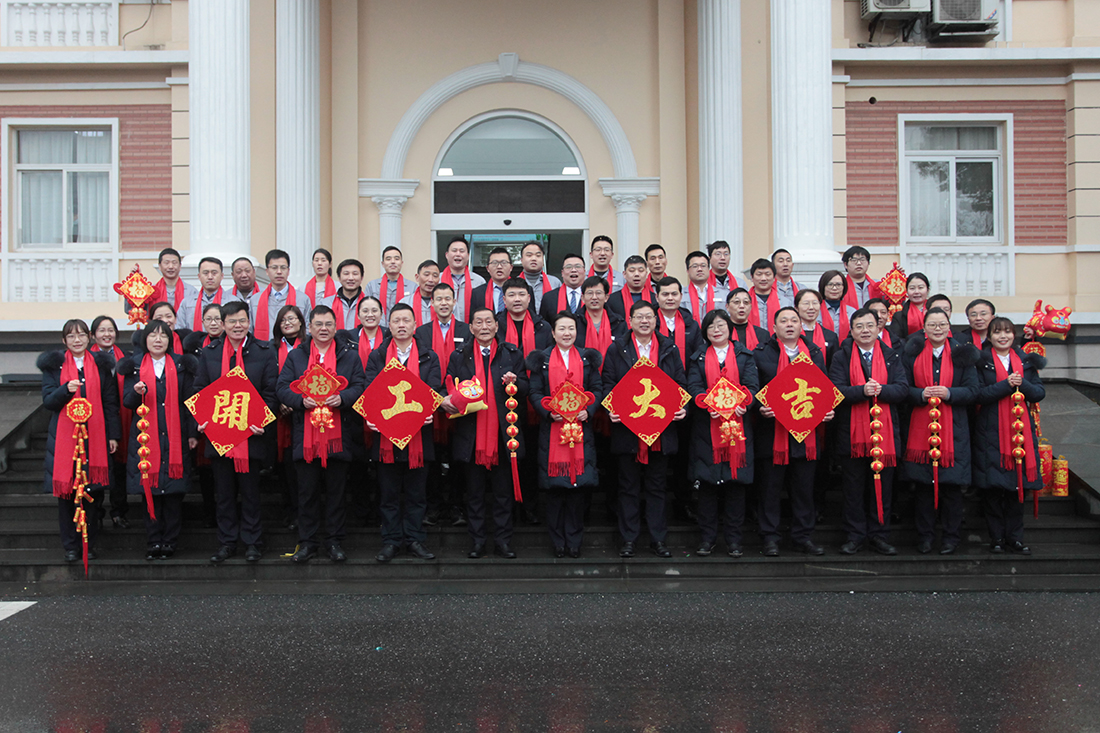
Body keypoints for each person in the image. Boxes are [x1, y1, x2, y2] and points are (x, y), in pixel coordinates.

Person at [276, 305, 366, 563]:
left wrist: (343, 398)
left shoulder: (349, 355)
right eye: (319, 324)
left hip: (339, 435)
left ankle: (335, 542)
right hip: (306, 436)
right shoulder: (297, 356)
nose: (324, 329)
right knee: (307, 493)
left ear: (336, 327)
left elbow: (360, 385)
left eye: (328, 324)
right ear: (310, 327)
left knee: (337, 493)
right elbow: (281, 388)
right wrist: (300, 400)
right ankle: (307, 543)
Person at [193, 301, 279, 564]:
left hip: (252, 436)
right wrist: (201, 419)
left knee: (251, 494)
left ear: (249, 322)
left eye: (242, 321)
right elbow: (199, 390)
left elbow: (271, 392)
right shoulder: (209, 353)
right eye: (232, 321)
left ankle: (253, 542)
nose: (237, 326)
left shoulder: (264, 351)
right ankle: (227, 542)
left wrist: (262, 421)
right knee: (224, 494)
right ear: (222, 324)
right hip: (219, 436)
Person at [602, 300, 688, 559]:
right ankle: (628, 539)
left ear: (656, 320)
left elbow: (681, 384)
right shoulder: (617, 348)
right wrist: (611, 407)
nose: (644, 321)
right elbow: (608, 383)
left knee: (657, 487)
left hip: (661, 431)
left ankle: (658, 539)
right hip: (626, 431)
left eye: (649, 316)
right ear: (630, 321)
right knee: (627, 487)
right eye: (639, 317)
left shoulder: (669, 348)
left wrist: (683, 407)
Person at [442, 307, 528, 558]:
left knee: (503, 494)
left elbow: (526, 387)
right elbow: (448, 386)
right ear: (471, 328)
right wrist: (446, 399)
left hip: (504, 434)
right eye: (478, 323)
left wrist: (515, 382)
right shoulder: (460, 355)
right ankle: (477, 541)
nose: (484, 327)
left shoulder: (511, 353)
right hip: (471, 435)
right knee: (475, 494)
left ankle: (503, 541)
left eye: (488, 322)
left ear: (496, 325)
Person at [363, 303, 442, 562]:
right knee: (388, 494)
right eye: (396, 320)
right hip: (385, 436)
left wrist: (429, 409)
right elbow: (370, 390)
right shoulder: (378, 356)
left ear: (415, 325)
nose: (401, 325)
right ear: (389, 325)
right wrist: (372, 417)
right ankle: (391, 541)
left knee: (417, 494)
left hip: (420, 436)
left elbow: (434, 389)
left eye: (406, 320)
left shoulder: (429, 356)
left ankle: (415, 539)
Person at [37, 319, 120, 562]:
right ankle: (71, 546)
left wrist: (113, 435)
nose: (77, 340)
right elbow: (48, 401)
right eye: (71, 336)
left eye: (81, 335)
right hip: (65, 440)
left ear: (89, 338)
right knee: (67, 495)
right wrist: (65, 389)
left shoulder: (101, 366)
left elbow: (110, 403)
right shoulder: (54, 367)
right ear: (64, 341)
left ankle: (88, 544)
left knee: (91, 493)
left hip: (95, 437)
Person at [753, 307, 832, 557]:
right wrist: (760, 406)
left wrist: (827, 410)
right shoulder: (761, 354)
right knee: (770, 489)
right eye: (784, 321)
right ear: (774, 327)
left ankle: (802, 537)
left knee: (803, 490)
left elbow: (825, 389)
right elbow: (753, 389)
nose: (789, 325)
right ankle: (770, 537)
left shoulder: (815, 353)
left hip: (806, 435)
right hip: (772, 434)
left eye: (794, 321)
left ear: (801, 326)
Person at [900, 307, 979, 555]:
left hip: (954, 432)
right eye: (932, 325)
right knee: (923, 488)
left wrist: (950, 393)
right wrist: (920, 394)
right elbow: (902, 388)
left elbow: (973, 391)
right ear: (924, 328)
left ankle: (951, 538)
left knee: (952, 489)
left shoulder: (962, 354)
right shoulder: (911, 353)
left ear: (949, 327)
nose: (937, 329)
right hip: (920, 430)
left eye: (942, 325)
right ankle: (925, 537)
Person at [829, 308, 908, 556]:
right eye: (860, 326)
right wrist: (861, 391)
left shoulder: (891, 355)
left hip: (885, 435)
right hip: (852, 435)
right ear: (852, 331)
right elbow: (835, 391)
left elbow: (902, 389)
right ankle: (854, 536)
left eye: (870, 326)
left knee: (882, 489)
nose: (865, 331)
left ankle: (879, 535)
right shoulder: (841, 356)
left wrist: (881, 389)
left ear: (878, 328)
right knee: (853, 490)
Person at [528, 311, 604, 557]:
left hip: (581, 431)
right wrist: (548, 412)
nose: (567, 333)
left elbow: (597, 388)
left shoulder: (586, 359)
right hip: (552, 431)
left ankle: (574, 541)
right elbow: (534, 392)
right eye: (561, 328)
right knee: (555, 490)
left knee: (577, 491)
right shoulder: (543, 360)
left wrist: (588, 410)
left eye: (571, 328)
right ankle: (558, 542)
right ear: (553, 333)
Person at [118, 320, 197, 560]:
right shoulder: (134, 367)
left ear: (170, 340)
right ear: (145, 340)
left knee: (173, 493)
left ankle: (170, 541)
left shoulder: (181, 366)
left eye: (163, 335)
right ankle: (154, 541)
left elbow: (190, 402)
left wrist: (192, 434)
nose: (158, 339)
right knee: (149, 491)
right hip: (145, 439)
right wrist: (136, 393)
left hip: (175, 436)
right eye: (153, 335)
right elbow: (127, 403)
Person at [686, 309, 759, 558]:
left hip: (738, 429)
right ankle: (707, 539)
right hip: (706, 429)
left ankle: (734, 540)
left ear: (730, 329)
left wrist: (745, 402)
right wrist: (706, 403)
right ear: (705, 332)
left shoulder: (744, 355)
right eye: (711, 326)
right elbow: (693, 386)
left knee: (735, 486)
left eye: (721, 325)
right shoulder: (697, 357)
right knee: (707, 486)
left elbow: (752, 386)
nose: (716, 330)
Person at [973, 317, 1045, 555]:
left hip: (1021, 433)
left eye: (1007, 332)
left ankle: (1015, 538)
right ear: (989, 337)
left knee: (1017, 488)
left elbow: (1039, 393)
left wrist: (1022, 384)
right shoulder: (981, 361)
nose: (1002, 336)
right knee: (993, 489)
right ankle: (996, 537)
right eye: (997, 332)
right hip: (990, 432)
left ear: (1014, 335)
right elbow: (978, 394)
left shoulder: (1026, 361)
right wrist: (1006, 384)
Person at [415, 282, 472, 527]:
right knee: (433, 459)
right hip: (430, 406)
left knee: (459, 460)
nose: (444, 303)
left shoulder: (467, 330)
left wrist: (454, 398)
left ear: (455, 301)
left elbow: (471, 368)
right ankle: (434, 506)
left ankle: (457, 506)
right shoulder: (421, 333)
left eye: (448, 298)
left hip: (460, 407)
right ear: (432, 303)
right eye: (439, 299)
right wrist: (438, 399)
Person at [182, 303, 224, 529]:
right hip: (204, 415)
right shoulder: (193, 352)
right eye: (209, 319)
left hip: (229, 413)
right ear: (202, 322)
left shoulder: (234, 346)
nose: (214, 323)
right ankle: (210, 512)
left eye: (218, 319)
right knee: (206, 468)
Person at [88, 315, 131, 531]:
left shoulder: (126, 359)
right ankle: (95, 513)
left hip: (121, 419)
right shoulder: (87, 360)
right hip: (95, 421)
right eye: (102, 330)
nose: (107, 334)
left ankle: (118, 512)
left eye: (111, 330)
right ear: (93, 335)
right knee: (96, 468)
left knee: (119, 469)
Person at [272, 304, 306, 531]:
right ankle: (290, 510)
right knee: (284, 467)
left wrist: (296, 401)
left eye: (292, 319)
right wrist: (281, 402)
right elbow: (268, 380)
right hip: (279, 414)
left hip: (305, 413)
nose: (287, 323)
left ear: (301, 322)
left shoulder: (309, 347)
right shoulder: (270, 349)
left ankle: (304, 513)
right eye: (283, 320)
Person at [250, 249, 311, 341]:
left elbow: (307, 330)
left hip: (294, 348)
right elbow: (250, 330)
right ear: (267, 271)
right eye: (274, 268)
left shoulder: (302, 299)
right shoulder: (255, 300)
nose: (279, 272)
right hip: (263, 348)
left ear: (288, 271)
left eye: (283, 268)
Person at [654, 276, 702, 372]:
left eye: (674, 294)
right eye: (665, 294)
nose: (670, 298)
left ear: (681, 296)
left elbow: (697, 358)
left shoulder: (692, 325)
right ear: (657, 297)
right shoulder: (649, 324)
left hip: (686, 377)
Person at [497, 278, 552, 356]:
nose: (517, 299)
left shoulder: (543, 327)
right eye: (511, 295)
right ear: (504, 300)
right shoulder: (496, 326)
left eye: (522, 294)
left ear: (529, 298)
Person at [364, 246, 415, 326]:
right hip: (377, 328)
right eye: (388, 259)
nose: (393, 262)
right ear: (383, 264)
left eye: (396, 259)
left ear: (402, 263)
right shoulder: (372, 286)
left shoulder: (413, 287)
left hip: (402, 327)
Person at [136, 248, 197, 313]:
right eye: (166, 263)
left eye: (174, 263)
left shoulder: (191, 292)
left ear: (180, 266)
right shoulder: (150, 291)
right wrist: (135, 282)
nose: (170, 266)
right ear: (159, 266)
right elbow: (136, 309)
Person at [440, 236, 485, 322]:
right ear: (447, 255)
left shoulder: (479, 281)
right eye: (454, 251)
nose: (458, 254)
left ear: (468, 256)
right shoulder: (438, 280)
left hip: (470, 327)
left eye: (461, 251)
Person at [576, 275, 626, 351]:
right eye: (590, 293)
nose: (594, 297)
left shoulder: (618, 323)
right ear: (582, 298)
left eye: (598, 293)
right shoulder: (574, 322)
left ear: (606, 297)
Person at [177, 257, 226, 333]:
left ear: (222, 276)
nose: (210, 277)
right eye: (205, 273)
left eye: (214, 273)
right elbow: (179, 329)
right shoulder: (187, 303)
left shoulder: (232, 301)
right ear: (199, 276)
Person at [316, 258, 366, 331]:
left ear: (361, 278)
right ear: (339, 278)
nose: (351, 278)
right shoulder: (326, 303)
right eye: (346, 274)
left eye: (355, 274)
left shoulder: (369, 303)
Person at [796, 289, 839, 369]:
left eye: (815, 303)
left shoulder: (830, 336)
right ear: (796, 308)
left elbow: (835, 367)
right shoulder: (790, 335)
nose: (811, 307)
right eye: (806, 303)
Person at [539, 253, 586, 321]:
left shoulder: (592, 296)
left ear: (584, 272)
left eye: (578, 266)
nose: (573, 270)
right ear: (562, 273)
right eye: (568, 267)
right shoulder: (549, 298)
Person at [606, 255, 654, 320]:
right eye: (632, 271)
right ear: (624, 274)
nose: (636, 274)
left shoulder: (655, 299)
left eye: (641, 270)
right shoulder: (612, 300)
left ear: (646, 274)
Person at [471, 247, 515, 318]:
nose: (499, 266)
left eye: (504, 263)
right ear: (488, 268)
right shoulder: (477, 293)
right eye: (495, 263)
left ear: (511, 267)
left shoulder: (522, 290)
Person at [888, 272, 930, 344]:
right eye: (912, 288)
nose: (916, 292)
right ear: (906, 291)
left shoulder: (936, 312)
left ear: (928, 290)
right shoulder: (899, 316)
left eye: (920, 288)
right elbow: (896, 341)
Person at [519, 241, 562, 313]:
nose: (533, 258)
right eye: (529, 255)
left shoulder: (555, 282)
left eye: (538, 255)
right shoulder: (514, 283)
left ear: (543, 260)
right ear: (522, 260)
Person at [682, 250, 723, 321]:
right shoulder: (681, 296)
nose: (699, 269)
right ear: (687, 271)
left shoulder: (723, 295)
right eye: (695, 266)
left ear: (708, 268)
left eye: (703, 266)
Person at [400, 259, 441, 327]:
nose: (430, 280)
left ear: (439, 280)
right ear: (417, 277)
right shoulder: (405, 303)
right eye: (426, 275)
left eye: (435, 276)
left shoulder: (446, 303)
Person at [818, 270, 856, 343]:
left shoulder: (852, 312)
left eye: (838, 285)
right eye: (830, 284)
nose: (834, 288)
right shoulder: (815, 311)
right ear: (823, 286)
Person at [707, 240, 745, 306]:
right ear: (709, 258)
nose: (723, 258)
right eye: (718, 254)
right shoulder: (703, 284)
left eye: (726, 254)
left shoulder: (740, 284)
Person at [747, 259, 778, 333]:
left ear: (774, 277)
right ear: (752, 277)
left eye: (768, 274)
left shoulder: (784, 301)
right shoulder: (745, 301)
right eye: (759, 274)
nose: (763, 278)